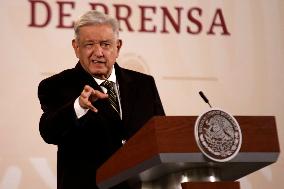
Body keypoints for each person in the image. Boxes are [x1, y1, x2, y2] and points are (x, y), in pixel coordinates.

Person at [37, 10, 165, 189]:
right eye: (89, 44)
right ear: (76, 47)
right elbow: (48, 131)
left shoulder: (143, 84)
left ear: (118, 47)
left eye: (105, 44)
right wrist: (79, 107)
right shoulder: (57, 85)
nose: (98, 52)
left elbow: (160, 135)